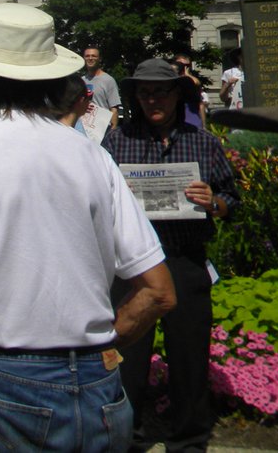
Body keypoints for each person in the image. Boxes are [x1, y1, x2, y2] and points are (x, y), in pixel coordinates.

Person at [0, 3, 175, 451]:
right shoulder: (92, 155)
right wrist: (105, 346)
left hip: (8, 378)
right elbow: (158, 290)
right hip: (99, 386)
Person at [104, 58, 239, 452]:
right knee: (127, 355)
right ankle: (127, 436)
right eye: (144, 93)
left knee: (189, 357)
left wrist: (215, 202)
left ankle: (190, 438)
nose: (152, 100)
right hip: (131, 268)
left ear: (178, 95)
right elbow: (92, 192)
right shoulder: (117, 140)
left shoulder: (204, 142)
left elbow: (233, 198)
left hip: (184, 258)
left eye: (160, 91)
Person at [83, 46, 122, 126]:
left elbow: (114, 109)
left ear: (99, 59)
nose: (90, 58)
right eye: (87, 56)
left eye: (94, 56)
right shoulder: (81, 81)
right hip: (84, 128)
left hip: (102, 129)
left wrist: (112, 131)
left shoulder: (108, 80)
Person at [172, 55, 207, 129]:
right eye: (181, 64)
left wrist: (204, 126)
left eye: (187, 65)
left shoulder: (191, 81)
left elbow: (200, 104)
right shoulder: (170, 80)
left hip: (192, 120)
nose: (184, 67)